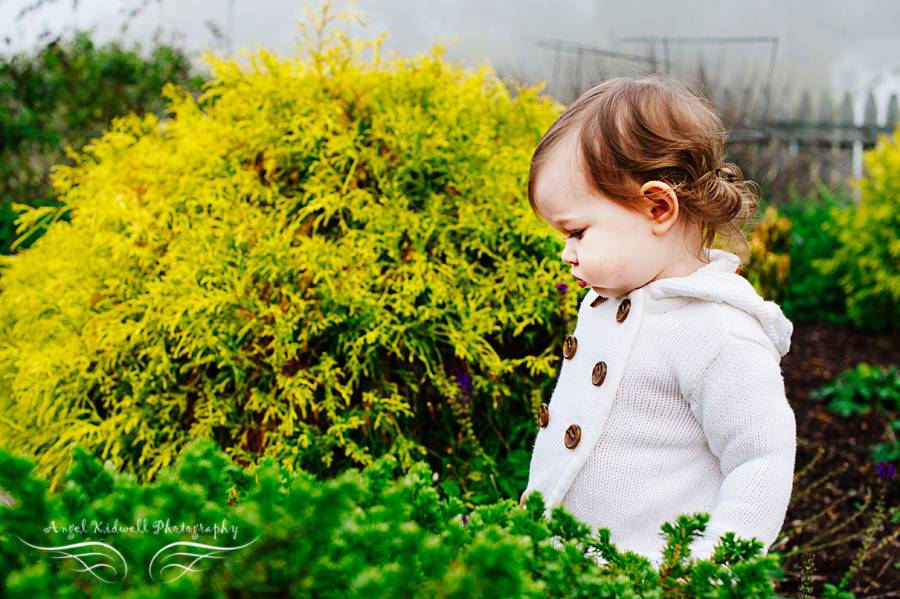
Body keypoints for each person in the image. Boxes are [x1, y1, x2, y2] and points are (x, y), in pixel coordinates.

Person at [520, 75, 796, 565]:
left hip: (650, 578)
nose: (566, 253)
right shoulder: (608, 301)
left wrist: (709, 571)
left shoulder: (719, 331)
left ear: (658, 206)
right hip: (569, 569)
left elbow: (761, 460)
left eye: (578, 232)